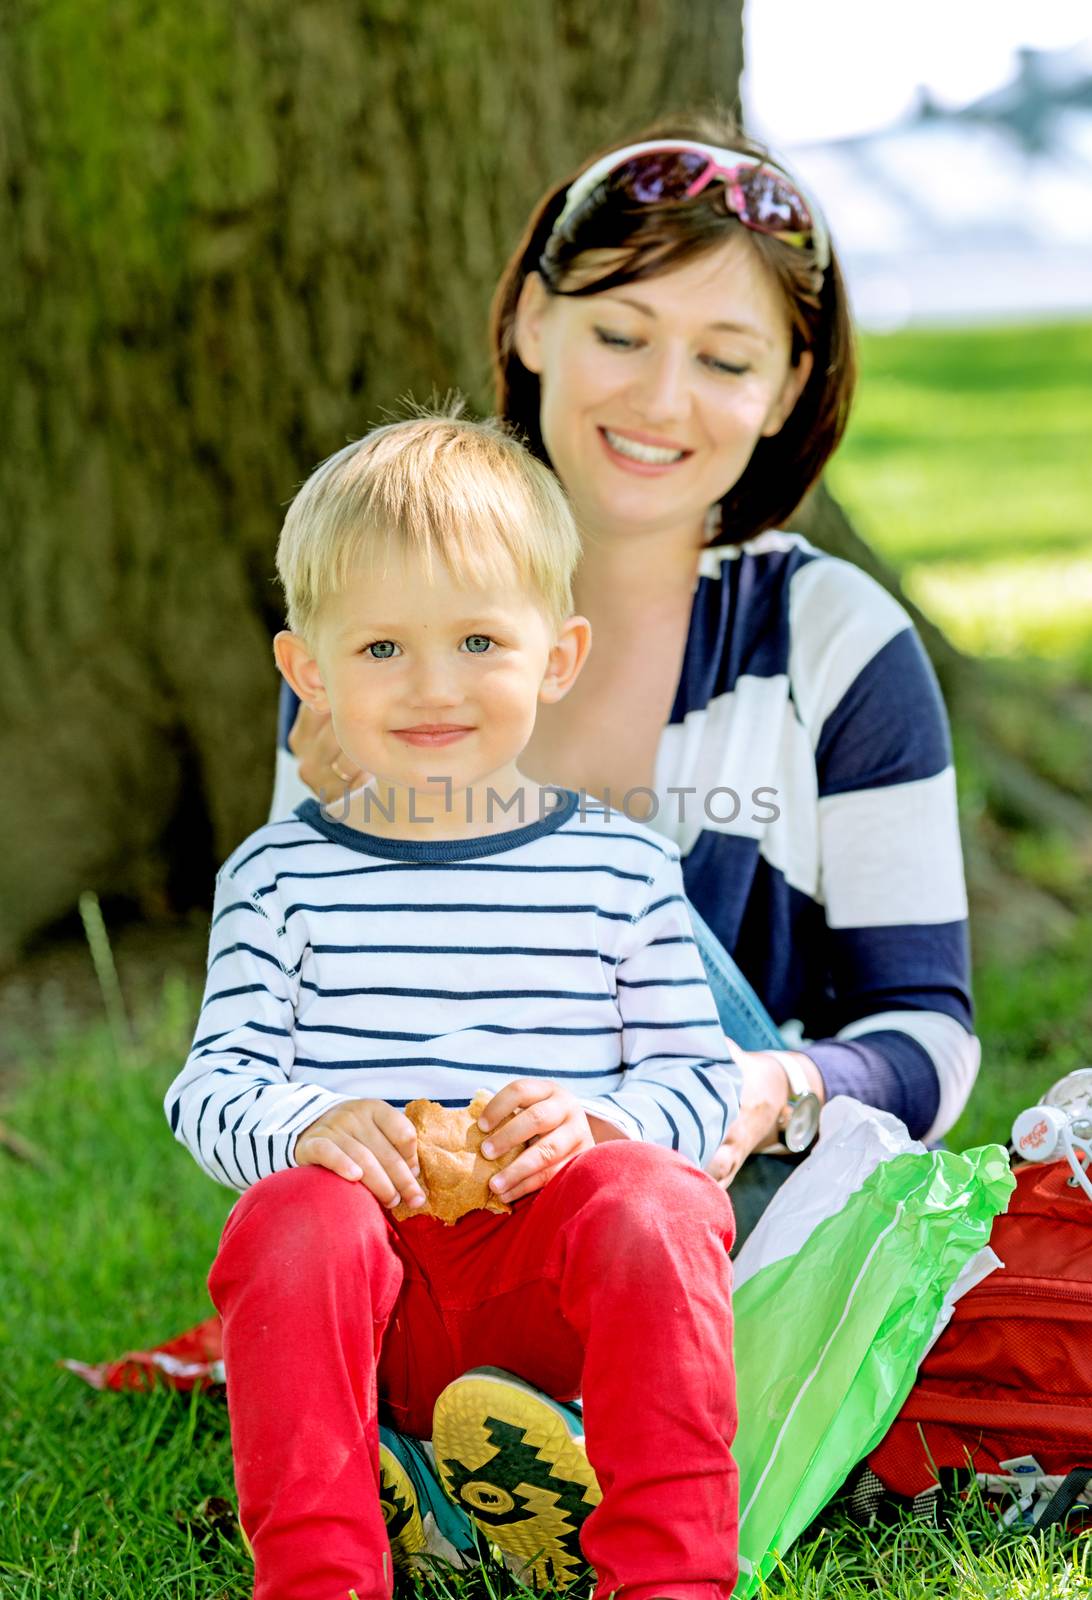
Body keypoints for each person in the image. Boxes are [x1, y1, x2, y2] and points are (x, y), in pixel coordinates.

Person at [277, 113, 981, 1244]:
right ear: (533, 321)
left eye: (724, 359)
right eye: (621, 333)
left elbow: (932, 1042)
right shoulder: (375, 627)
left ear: (788, 388)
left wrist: (771, 1090)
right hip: (446, 1217)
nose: (662, 397)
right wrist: (357, 834)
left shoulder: (837, 645)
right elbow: (287, 1041)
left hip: (722, 1225)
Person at [166, 410, 743, 1599]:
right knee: (293, 1219)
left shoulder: (622, 869)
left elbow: (701, 1084)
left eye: (480, 638)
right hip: (373, 1310)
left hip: (553, 1295)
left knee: (655, 1201)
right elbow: (211, 1084)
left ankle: (667, 1570)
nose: (432, 687)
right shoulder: (278, 878)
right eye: (381, 650)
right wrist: (306, 1126)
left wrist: (601, 1127)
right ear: (307, 671)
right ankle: (330, 1558)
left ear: (558, 655)